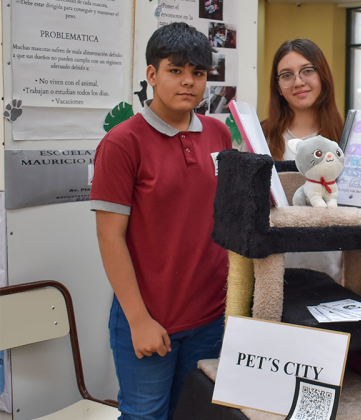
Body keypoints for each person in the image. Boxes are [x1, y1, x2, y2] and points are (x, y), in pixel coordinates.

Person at [91, 22, 231, 419]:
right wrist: (138, 320)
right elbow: (110, 238)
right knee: (145, 415)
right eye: (176, 70)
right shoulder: (122, 142)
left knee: (193, 413)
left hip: (210, 318)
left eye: (198, 73)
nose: (188, 82)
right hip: (151, 318)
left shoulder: (219, 135)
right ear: (152, 75)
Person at [243, 39, 345, 281]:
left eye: (307, 71)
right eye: (286, 75)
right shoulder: (259, 138)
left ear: (323, 76)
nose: (298, 82)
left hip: (336, 273)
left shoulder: (347, 136)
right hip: (272, 274)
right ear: (278, 86)